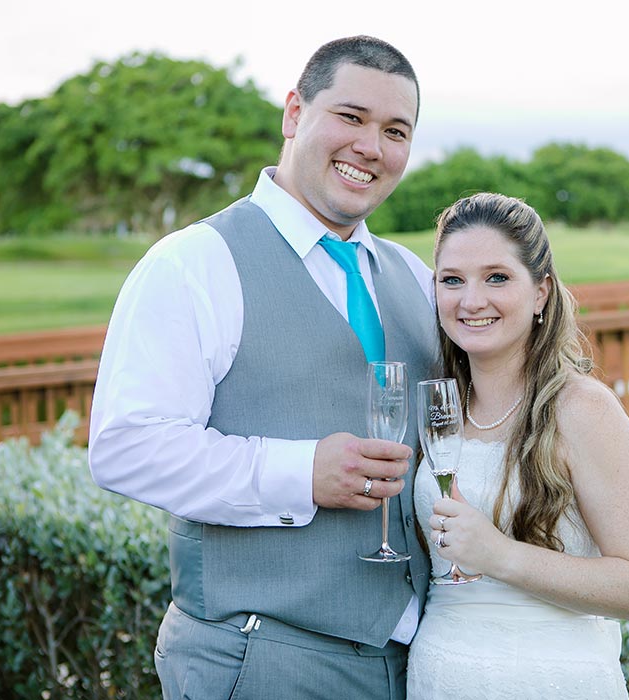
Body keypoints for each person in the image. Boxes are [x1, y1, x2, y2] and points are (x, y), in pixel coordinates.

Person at [88, 36, 437, 699]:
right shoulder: (193, 262)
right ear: (294, 113)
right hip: (258, 660)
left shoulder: (414, 277)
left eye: (396, 131)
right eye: (352, 117)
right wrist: (299, 473)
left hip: (411, 666)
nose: (372, 146)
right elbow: (124, 448)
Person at [406, 192, 629, 699]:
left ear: (542, 293)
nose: (471, 300)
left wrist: (499, 554)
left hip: (551, 680)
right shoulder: (444, 407)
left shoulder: (583, 409)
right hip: (439, 677)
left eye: (497, 277)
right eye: (452, 280)